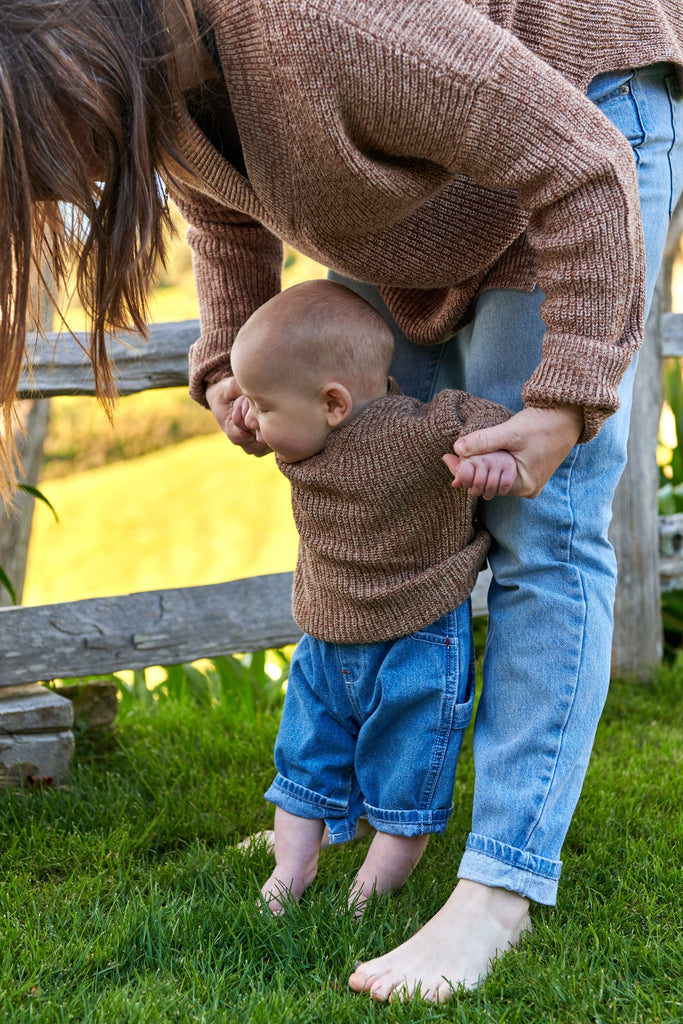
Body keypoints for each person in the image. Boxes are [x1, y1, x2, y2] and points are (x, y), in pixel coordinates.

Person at [2, 0, 682, 1002]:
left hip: (578, 118)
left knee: (544, 523)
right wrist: (231, 357)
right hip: (419, 171)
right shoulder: (166, 71)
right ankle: (365, 800)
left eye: (69, 155)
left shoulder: (319, 29)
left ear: (90, 64)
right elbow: (223, 196)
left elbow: (580, 162)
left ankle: (498, 883)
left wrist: (565, 397)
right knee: (386, 492)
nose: (81, 185)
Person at [229, 279, 514, 917]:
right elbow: (281, 415)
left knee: (406, 771)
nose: (251, 419)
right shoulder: (310, 434)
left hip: (417, 639)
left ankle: (367, 894)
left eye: (260, 405)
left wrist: (496, 455)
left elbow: (482, 418)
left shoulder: (418, 433)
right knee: (305, 757)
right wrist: (260, 401)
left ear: (333, 403)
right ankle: (290, 867)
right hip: (326, 644)